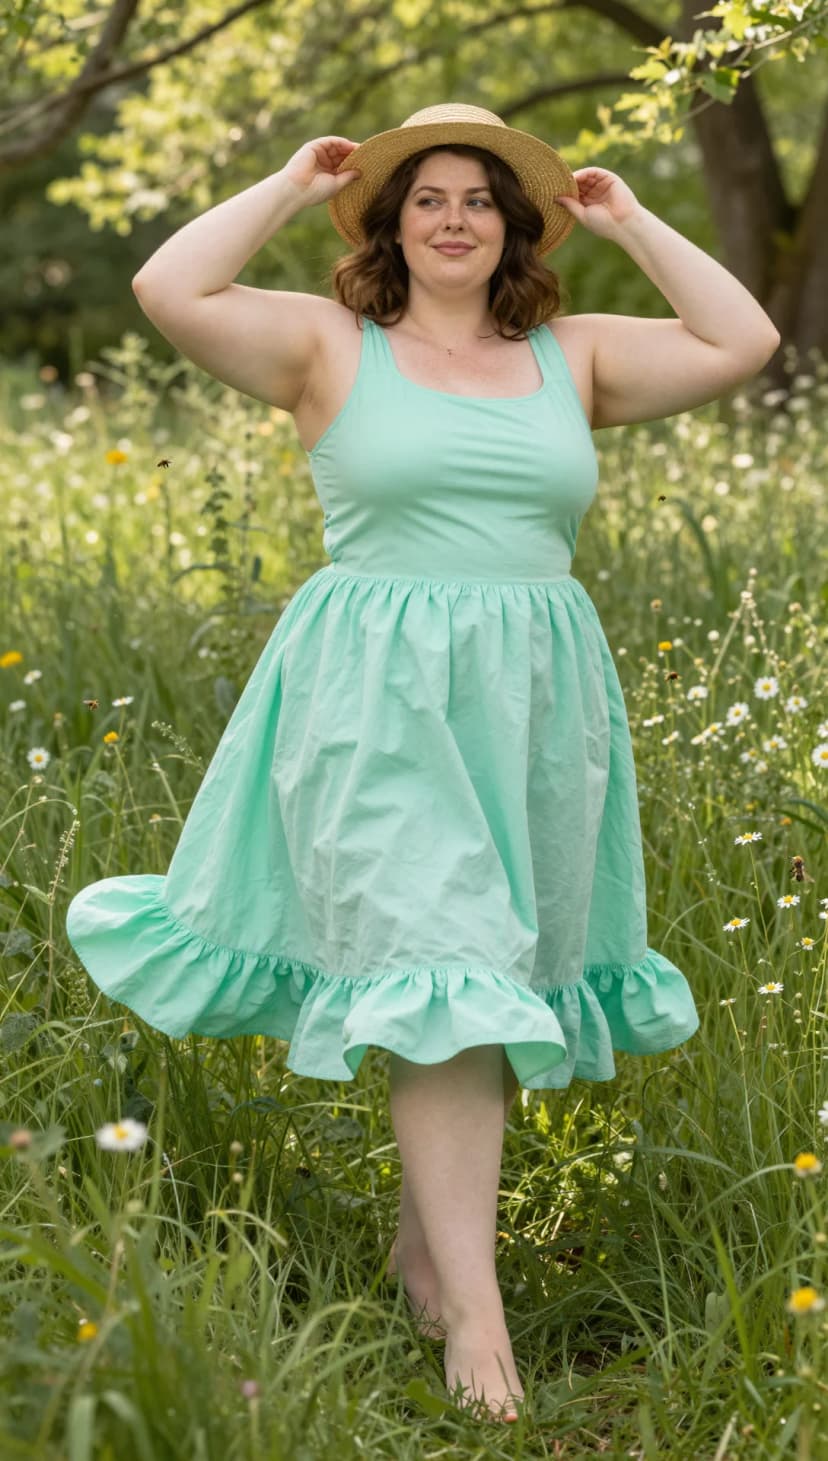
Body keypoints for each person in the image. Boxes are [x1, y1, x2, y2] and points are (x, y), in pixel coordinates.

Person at [65, 103, 780, 1423]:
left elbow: (746, 339)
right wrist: (288, 181)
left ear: (514, 226)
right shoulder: (330, 343)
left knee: (484, 968)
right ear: (392, 223)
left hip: (534, 707)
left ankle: (420, 1251)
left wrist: (630, 219)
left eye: (482, 199)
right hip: (373, 697)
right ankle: (477, 1312)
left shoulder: (573, 356)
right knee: (442, 959)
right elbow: (170, 282)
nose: (456, 217)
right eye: (429, 197)